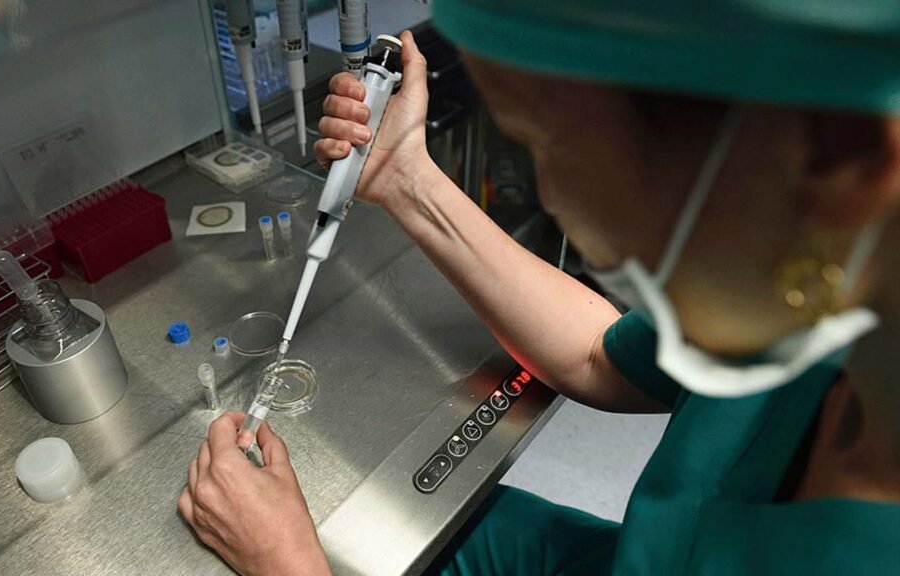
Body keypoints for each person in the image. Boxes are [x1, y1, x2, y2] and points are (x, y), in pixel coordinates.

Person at [178, 1, 900, 573]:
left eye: (547, 140)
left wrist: (290, 565)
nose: (549, 192)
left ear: (834, 154)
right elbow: (598, 357)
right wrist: (405, 177)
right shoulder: (808, 274)